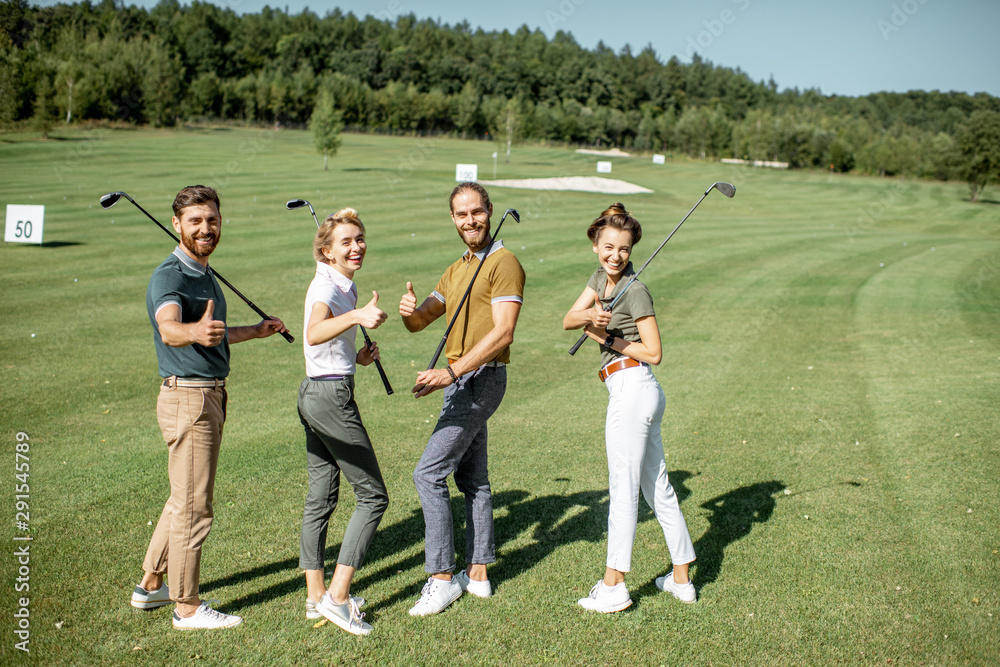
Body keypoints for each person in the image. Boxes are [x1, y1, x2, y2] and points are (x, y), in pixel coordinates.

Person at [130, 185, 287, 629]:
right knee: (194, 507)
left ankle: (151, 584)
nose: (206, 228)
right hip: (191, 399)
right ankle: (186, 607)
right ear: (176, 224)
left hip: (207, 394)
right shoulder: (170, 276)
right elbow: (170, 328)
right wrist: (192, 333)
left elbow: (210, 331)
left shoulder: (203, 271)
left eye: (212, 219)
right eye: (195, 220)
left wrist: (252, 332)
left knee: (183, 498)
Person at [562, 203, 697, 613]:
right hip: (631, 389)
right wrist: (592, 316)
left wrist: (608, 339)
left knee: (623, 489)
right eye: (608, 246)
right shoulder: (599, 279)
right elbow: (568, 318)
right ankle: (681, 578)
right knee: (657, 487)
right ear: (595, 246)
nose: (615, 255)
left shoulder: (635, 289)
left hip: (634, 385)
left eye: (623, 248)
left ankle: (614, 584)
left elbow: (655, 352)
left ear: (632, 247)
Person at [398, 182, 525, 616]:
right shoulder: (456, 270)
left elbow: (503, 332)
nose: (470, 220)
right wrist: (408, 312)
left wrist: (452, 371)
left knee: (428, 474)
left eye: (476, 212)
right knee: (473, 480)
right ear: (452, 219)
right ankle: (479, 571)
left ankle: (440, 576)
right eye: (461, 214)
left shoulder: (504, 263)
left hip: (479, 380)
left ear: (489, 211)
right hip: (461, 380)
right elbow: (422, 321)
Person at [297, 208, 389, 636]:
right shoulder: (326, 286)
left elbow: (326, 350)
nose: (357, 247)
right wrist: (355, 317)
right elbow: (314, 333)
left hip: (318, 390)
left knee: (322, 494)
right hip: (330, 399)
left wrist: (357, 356)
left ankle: (316, 596)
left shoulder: (341, 285)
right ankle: (337, 598)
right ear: (326, 251)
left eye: (360, 238)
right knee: (373, 497)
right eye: (346, 242)